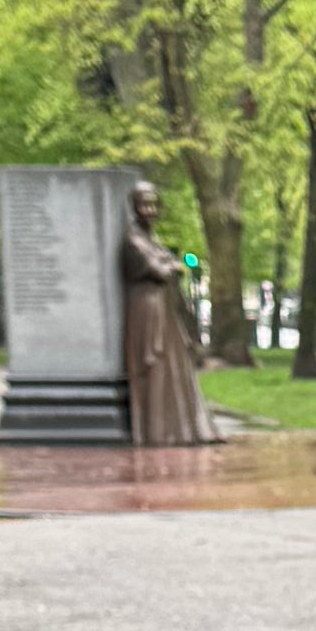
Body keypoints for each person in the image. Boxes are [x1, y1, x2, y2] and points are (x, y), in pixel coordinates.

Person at [118, 177, 228, 449]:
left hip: (164, 309)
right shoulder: (133, 241)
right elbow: (162, 270)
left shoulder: (151, 239)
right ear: (134, 207)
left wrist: (172, 265)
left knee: (173, 366)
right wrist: (170, 265)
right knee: (154, 364)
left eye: (154, 205)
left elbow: (172, 266)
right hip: (147, 310)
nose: (150, 210)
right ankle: (157, 431)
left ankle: (178, 428)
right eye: (144, 205)